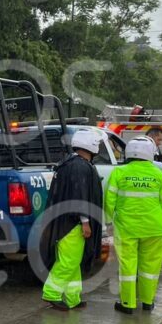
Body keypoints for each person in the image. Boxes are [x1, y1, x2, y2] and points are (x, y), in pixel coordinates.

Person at [105, 137, 162, 314]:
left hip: (126, 228)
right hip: (155, 228)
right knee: (150, 267)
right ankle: (148, 302)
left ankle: (127, 303)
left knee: (127, 266)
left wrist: (109, 221)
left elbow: (109, 201)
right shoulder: (158, 174)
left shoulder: (119, 173)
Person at [40, 129, 104, 311]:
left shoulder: (69, 163)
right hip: (72, 224)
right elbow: (79, 196)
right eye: (97, 144)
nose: (98, 147)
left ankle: (72, 297)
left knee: (72, 261)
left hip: (62, 221)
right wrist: (85, 221)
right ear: (89, 145)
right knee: (68, 262)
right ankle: (51, 293)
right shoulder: (80, 166)